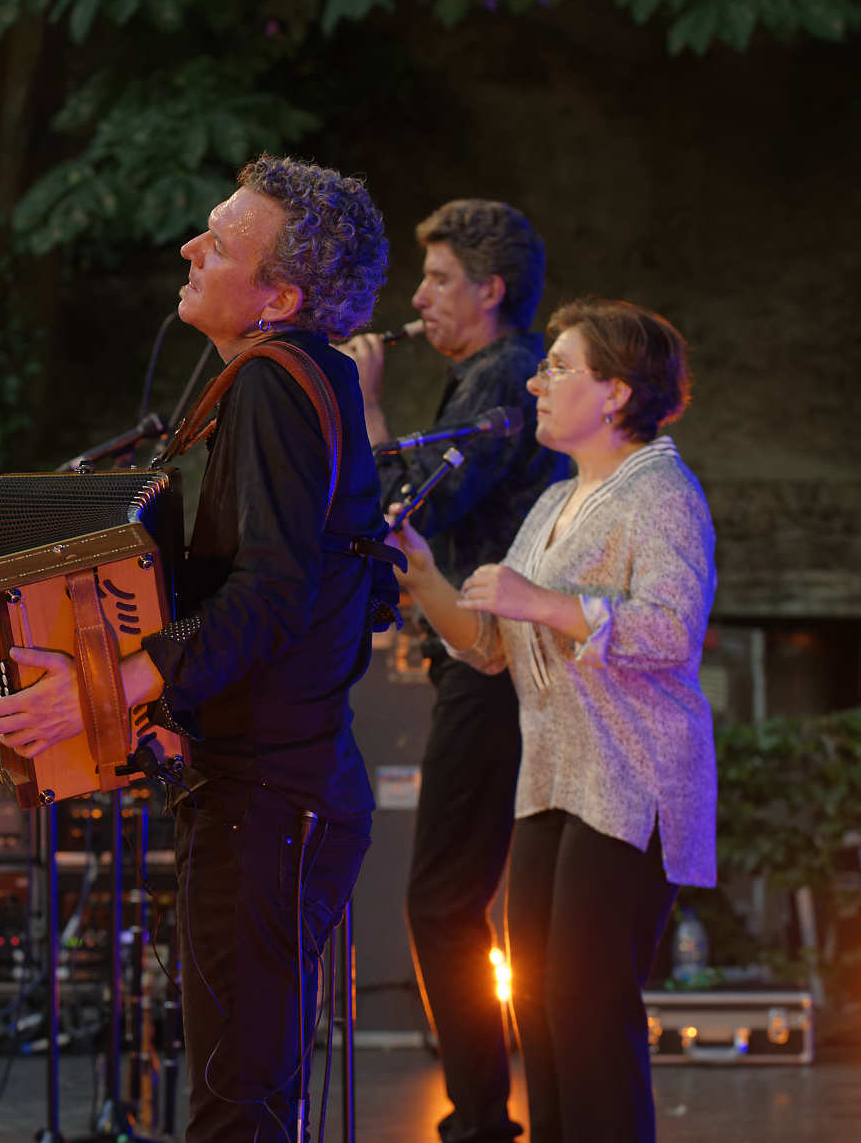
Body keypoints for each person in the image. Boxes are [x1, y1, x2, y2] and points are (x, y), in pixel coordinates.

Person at [0, 153, 395, 1141]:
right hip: (290, 788)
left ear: (278, 298)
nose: (189, 248)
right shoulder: (317, 378)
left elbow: (273, 597)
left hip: (266, 801)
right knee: (251, 1091)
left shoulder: (273, 387)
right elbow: (359, 588)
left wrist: (105, 689)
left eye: (220, 241)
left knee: (237, 1105)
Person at [386, 296, 718, 1143]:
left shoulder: (662, 492)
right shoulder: (556, 500)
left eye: (559, 367)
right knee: (535, 999)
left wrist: (543, 601)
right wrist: (423, 574)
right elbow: (491, 648)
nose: (536, 383)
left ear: (615, 393)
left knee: (588, 1005)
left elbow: (672, 631)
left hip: (634, 779)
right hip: (553, 778)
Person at [337, 199, 566, 1143]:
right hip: (497, 658)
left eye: (437, 279)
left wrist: (369, 408)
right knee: (485, 900)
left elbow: (414, 509)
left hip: (494, 663)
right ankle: (501, 1111)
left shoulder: (502, 377)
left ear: (490, 290)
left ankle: (480, 1119)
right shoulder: (490, 375)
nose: (419, 297)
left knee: (442, 899)